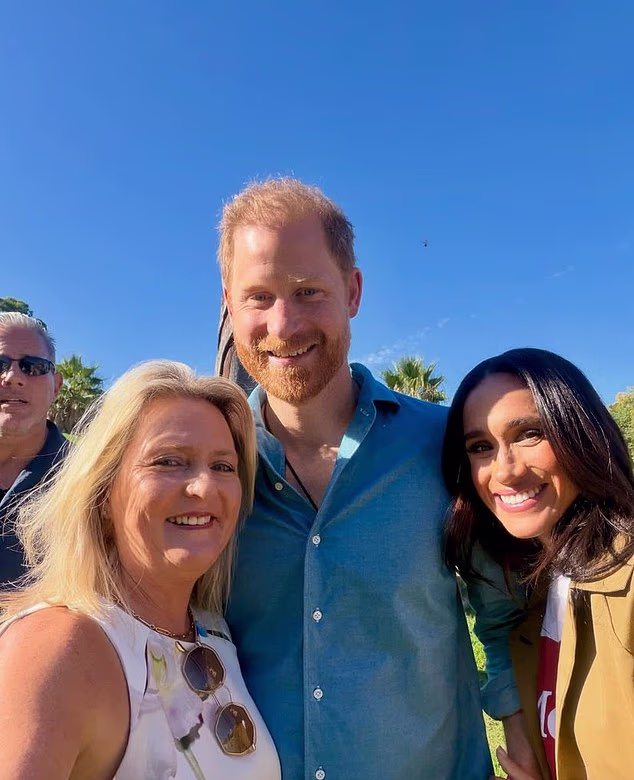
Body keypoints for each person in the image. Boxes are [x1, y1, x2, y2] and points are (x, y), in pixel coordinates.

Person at [217, 176, 529, 780]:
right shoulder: (210, 465)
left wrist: (520, 740)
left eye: (308, 291)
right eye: (258, 296)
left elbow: (501, 612)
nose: (283, 325)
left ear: (353, 291)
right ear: (230, 303)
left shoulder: (444, 444)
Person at [0, 360, 281, 780]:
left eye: (223, 466)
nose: (204, 487)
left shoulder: (214, 630)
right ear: (101, 491)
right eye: (169, 462)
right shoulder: (59, 647)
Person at [442, 347, 634, 780]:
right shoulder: (538, 596)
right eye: (480, 447)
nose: (504, 471)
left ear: (580, 431)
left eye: (530, 433)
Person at [0, 312, 66, 584]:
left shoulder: (91, 482)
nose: (13, 377)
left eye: (34, 366)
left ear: (57, 386)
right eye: (0, 364)